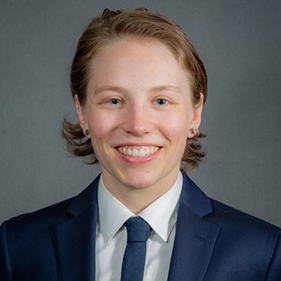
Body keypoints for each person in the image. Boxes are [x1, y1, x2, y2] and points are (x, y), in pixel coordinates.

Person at [0, 8, 280, 281]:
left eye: (161, 101)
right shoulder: (17, 248)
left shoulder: (263, 254)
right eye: (114, 100)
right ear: (82, 112)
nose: (137, 125)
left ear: (195, 113)